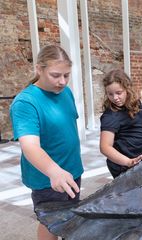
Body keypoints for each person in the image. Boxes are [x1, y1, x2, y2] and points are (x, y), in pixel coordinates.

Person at [10, 45, 84, 240]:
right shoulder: (26, 102)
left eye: (66, 75)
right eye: (55, 75)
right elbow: (30, 146)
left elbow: (67, 130)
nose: (62, 81)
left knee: (69, 219)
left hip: (72, 172)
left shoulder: (65, 93)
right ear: (39, 69)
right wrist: (54, 171)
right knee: (51, 225)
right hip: (47, 178)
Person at [100, 69, 142, 178]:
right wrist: (128, 162)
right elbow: (105, 147)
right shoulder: (110, 116)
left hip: (140, 159)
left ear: (127, 89)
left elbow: (139, 127)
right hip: (125, 165)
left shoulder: (136, 103)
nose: (115, 98)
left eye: (118, 93)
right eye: (110, 94)